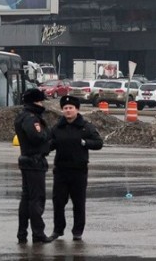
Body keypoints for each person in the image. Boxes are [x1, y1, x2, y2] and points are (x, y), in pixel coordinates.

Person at [49, 95, 103, 242]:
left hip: (79, 171)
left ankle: (77, 231)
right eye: (65, 108)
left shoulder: (85, 126)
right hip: (61, 170)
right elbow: (49, 144)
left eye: (70, 108)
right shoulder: (57, 128)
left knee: (78, 203)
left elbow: (98, 143)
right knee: (58, 202)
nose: (68, 111)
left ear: (77, 109)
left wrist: (85, 143)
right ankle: (58, 230)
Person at [14, 88, 53, 245]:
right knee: (36, 199)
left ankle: (22, 233)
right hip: (34, 162)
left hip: (28, 161)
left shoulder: (23, 116)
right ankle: (38, 233)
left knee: (26, 198)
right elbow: (37, 137)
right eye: (40, 100)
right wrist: (48, 134)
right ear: (35, 101)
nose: (42, 103)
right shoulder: (32, 118)